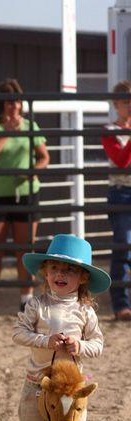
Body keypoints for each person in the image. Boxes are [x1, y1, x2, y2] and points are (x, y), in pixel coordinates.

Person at [13, 234, 111, 421]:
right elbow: (18, 333)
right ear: (45, 273)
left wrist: (80, 346)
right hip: (37, 382)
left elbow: (98, 344)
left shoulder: (85, 311)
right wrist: (45, 340)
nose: (60, 274)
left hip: (71, 387)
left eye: (69, 270)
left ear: (82, 278)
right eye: (55, 268)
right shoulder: (37, 305)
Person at [0, 78, 50, 318]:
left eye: (17, 101)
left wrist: (33, 172)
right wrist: (7, 133)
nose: (14, 107)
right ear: (0, 105)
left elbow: (44, 157)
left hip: (26, 194)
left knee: (24, 251)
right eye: (9, 102)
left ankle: (26, 301)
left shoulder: (31, 126)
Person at [100, 80, 131, 321]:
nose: (130, 106)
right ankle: (121, 303)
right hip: (121, 191)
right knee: (123, 244)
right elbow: (120, 160)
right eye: (126, 102)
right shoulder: (109, 129)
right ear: (116, 104)